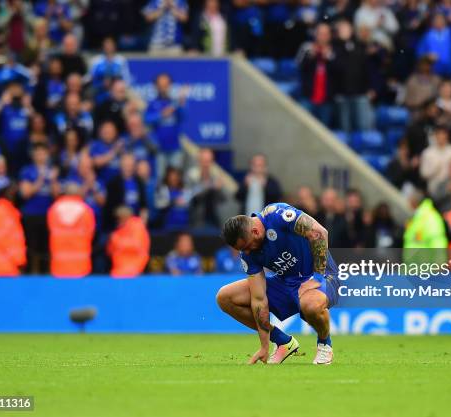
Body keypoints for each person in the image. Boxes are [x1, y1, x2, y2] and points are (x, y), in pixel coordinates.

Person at [217, 202, 340, 365]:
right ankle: (283, 342)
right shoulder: (248, 253)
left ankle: (325, 344)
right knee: (225, 297)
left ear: (255, 231)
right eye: (242, 249)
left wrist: (316, 278)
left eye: (247, 246)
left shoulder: (278, 215)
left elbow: (319, 232)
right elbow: (259, 299)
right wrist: (264, 345)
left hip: (322, 275)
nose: (247, 252)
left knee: (309, 305)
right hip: (286, 284)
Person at [19, 143, 58, 272]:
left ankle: (45, 275)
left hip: (48, 215)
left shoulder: (52, 171)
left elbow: (56, 195)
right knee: (31, 247)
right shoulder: (27, 171)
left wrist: (53, 180)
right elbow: (25, 193)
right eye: (38, 153)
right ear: (33, 155)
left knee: (46, 248)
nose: (41, 156)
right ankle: (30, 274)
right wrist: (40, 179)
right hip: (31, 215)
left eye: (43, 153)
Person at [47, 181, 96, 277]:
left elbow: (51, 228)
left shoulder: (55, 208)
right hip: (80, 261)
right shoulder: (85, 210)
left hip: (59, 261)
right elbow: (91, 232)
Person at [296, 23, 338, 126]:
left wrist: (329, 58)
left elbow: (340, 71)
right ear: (315, 34)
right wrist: (311, 56)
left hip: (327, 100)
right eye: (320, 33)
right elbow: (299, 66)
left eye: (325, 34)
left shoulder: (335, 50)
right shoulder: (307, 47)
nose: (322, 37)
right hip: (308, 97)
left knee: (324, 131)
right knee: (304, 127)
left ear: (329, 36)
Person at [144, 73, 187, 171]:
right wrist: (161, 115)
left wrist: (181, 105)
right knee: (159, 177)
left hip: (175, 148)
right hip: (159, 149)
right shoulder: (153, 103)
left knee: (175, 176)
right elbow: (147, 119)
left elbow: (183, 117)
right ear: (156, 86)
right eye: (161, 85)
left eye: (166, 85)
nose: (163, 88)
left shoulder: (174, 102)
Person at [0, 183, 26, 277]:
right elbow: (6, 240)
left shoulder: (7, 211)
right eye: (11, 190)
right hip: (3, 268)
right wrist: (19, 261)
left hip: (6, 266)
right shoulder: (1, 211)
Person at [104, 153, 148, 231]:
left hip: (136, 223)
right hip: (119, 223)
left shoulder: (139, 182)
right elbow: (110, 207)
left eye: (131, 165)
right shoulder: (113, 183)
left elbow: (143, 206)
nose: (129, 168)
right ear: (121, 166)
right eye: (126, 165)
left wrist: (142, 223)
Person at [107, 205, 150, 278]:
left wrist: (116, 240)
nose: (118, 221)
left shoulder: (137, 226)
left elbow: (136, 245)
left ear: (126, 217)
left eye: (119, 218)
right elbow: (110, 251)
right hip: (119, 268)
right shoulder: (120, 230)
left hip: (132, 268)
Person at [419, 125, 451, 193]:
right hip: (433, 188)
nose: (441, 136)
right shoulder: (427, 152)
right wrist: (434, 169)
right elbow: (423, 174)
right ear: (435, 136)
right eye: (439, 134)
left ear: (447, 135)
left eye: (443, 134)